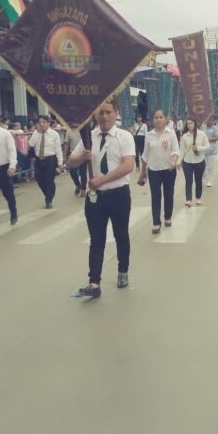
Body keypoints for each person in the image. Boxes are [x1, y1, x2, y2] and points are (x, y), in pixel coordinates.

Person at [68, 102, 136, 298]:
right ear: (95, 116)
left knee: (121, 235)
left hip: (119, 195)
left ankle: (123, 270)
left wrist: (101, 180)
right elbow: (70, 161)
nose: (104, 116)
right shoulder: (88, 138)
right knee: (96, 240)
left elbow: (128, 166)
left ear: (116, 114)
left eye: (108, 112)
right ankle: (94, 282)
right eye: (101, 113)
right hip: (95, 198)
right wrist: (82, 157)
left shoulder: (125, 137)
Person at [138, 109, 180, 234]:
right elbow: (145, 155)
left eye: (161, 117)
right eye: (156, 117)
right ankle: (156, 222)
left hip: (169, 169)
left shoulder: (171, 133)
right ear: (153, 119)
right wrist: (142, 171)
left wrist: (173, 160)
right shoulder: (149, 135)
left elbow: (176, 150)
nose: (158, 119)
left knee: (168, 194)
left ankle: (167, 217)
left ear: (165, 119)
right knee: (155, 196)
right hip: (153, 170)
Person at [28, 115, 63, 208]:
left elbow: (58, 149)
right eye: (40, 122)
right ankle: (48, 194)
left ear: (48, 123)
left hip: (50, 160)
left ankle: (49, 200)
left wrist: (60, 163)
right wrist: (36, 133)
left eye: (44, 122)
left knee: (49, 180)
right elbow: (31, 144)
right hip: (39, 159)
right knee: (39, 179)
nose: (41, 124)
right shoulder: (35, 133)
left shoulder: (54, 134)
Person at [180, 118, 210, 206]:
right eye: (188, 124)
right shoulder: (185, 136)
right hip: (187, 162)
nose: (190, 125)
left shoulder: (202, 134)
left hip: (199, 161)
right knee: (188, 181)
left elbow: (207, 146)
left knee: (198, 180)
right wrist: (178, 162)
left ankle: (198, 198)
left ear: (195, 124)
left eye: (191, 123)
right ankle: (188, 199)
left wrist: (198, 148)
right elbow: (181, 150)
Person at [67, 129, 87, 197]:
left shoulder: (85, 130)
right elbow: (66, 144)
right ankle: (78, 185)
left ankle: (83, 189)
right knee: (72, 171)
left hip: (83, 154)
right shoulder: (69, 131)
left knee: (83, 173)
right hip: (73, 155)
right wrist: (64, 156)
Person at [202, 117, 218, 187]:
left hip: (212, 150)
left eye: (212, 120)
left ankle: (209, 181)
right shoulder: (203, 127)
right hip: (203, 150)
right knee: (202, 166)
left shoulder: (215, 128)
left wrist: (207, 139)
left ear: (214, 121)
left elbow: (216, 138)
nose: (210, 121)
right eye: (209, 119)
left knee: (210, 166)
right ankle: (202, 179)